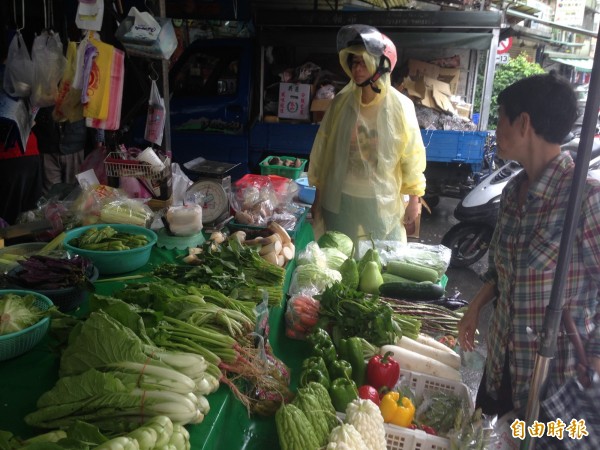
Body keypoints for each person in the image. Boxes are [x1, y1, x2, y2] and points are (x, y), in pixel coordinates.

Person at [457, 73, 600, 420]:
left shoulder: (585, 198)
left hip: (556, 385)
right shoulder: (510, 193)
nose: (496, 131)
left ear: (523, 123)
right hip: (502, 367)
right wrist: (475, 306)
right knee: (486, 436)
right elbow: (499, 270)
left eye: (500, 119)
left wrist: (594, 361)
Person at [307, 25, 426, 248]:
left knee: (379, 262)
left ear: (381, 65)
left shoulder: (400, 107)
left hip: (381, 201)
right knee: (340, 259)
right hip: (341, 197)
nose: (357, 68)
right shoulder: (341, 105)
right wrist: (318, 198)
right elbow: (323, 153)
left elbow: (411, 156)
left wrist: (414, 201)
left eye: (363, 62)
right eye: (354, 62)